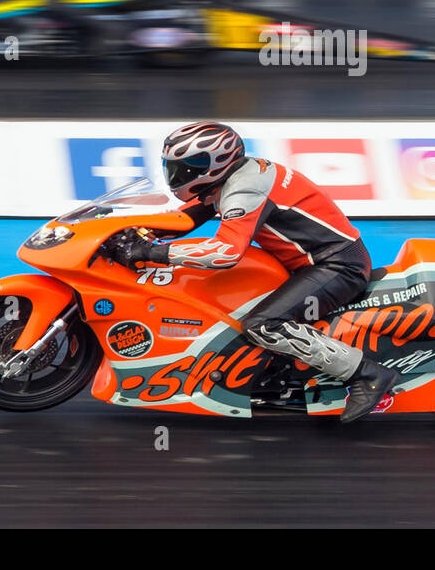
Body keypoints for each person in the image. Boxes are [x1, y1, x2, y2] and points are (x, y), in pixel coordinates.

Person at [104, 121, 399, 422]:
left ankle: (365, 374)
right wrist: (126, 230)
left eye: (189, 167)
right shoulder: (232, 177)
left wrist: (153, 252)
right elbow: (185, 219)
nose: (180, 175)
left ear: (216, 163)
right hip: (306, 262)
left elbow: (226, 252)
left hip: (336, 265)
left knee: (263, 324)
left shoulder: (245, 187)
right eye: (175, 167)